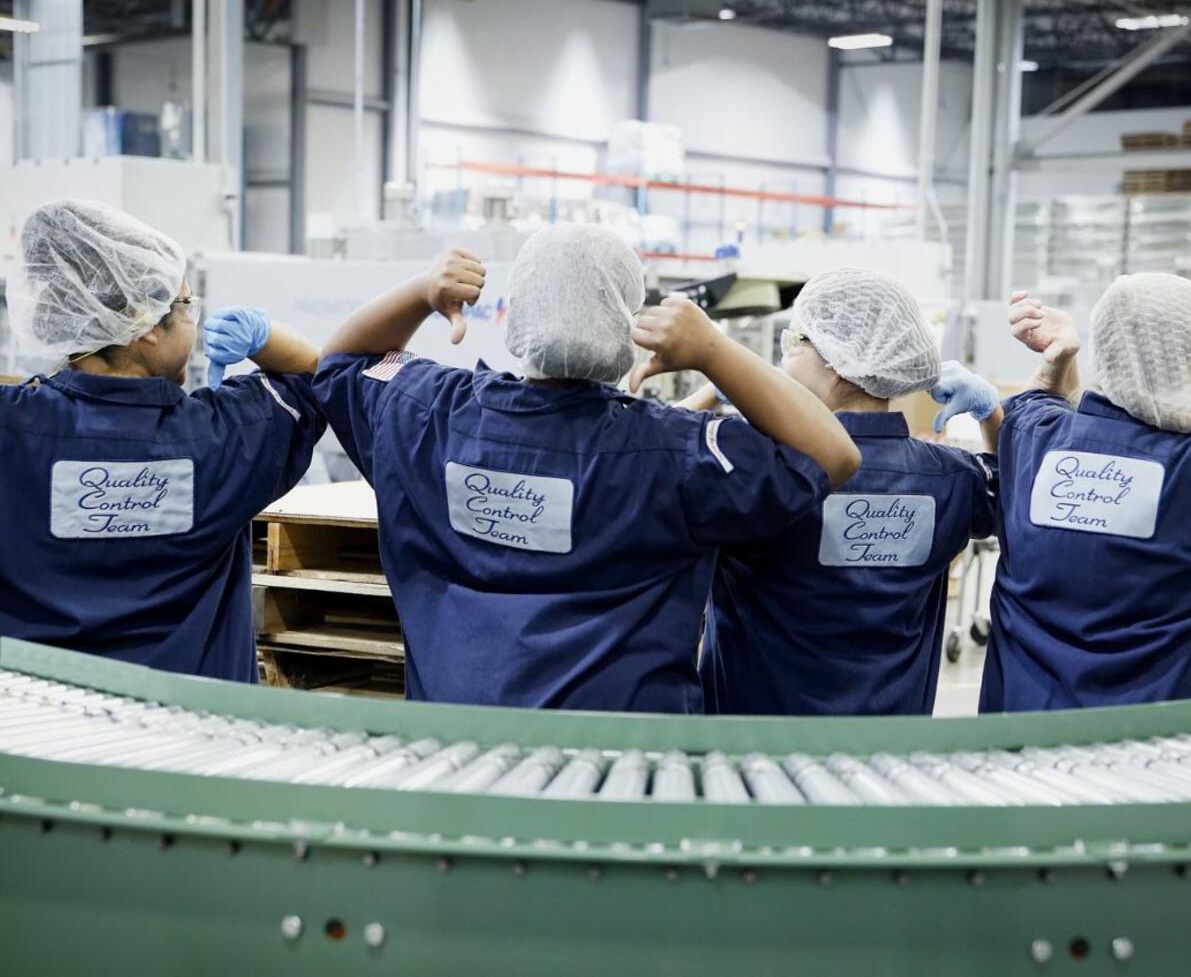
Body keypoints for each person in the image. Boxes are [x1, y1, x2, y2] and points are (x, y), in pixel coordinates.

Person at [313, 225, 859, 712]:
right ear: (627, 320)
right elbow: (832, 453)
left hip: (460, 761)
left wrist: (420, 292)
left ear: (517, 310)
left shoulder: (426, 413)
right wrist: (715, 352)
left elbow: (339, 362)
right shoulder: (678, 453)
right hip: (620, 777)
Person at [0, 199, 325, 680]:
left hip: (40, 731)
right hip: (191, 733)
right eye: (186, 304)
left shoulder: (13, 429)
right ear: (146, 326)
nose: (194, 317)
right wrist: (261, 336)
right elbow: (315, 376)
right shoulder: (227, 435)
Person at [688, 267, 1001, 715]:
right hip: (882, 761)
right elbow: (1011, 488)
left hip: (749, 755)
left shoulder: (753, 466)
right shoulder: (949, 480)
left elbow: (646, 465)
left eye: (795, 343)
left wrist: (715, 389)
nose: (784, 359)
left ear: (835, 362)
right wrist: (991, 413)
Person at [979, 276, 1191, 711]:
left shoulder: (1033, 437)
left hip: (1016, 731)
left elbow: (1038, 401)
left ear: (1105, 348)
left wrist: (1058, 358)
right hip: (1150, 744)